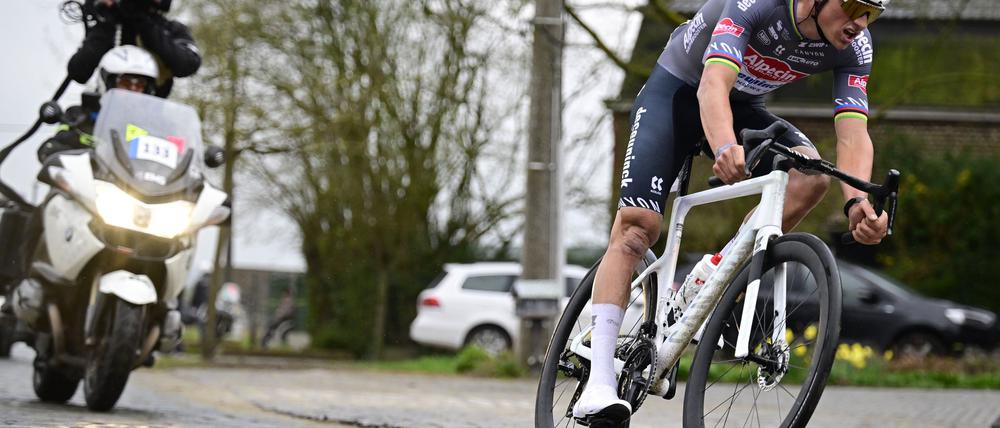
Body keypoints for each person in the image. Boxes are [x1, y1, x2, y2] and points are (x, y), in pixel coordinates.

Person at [573, 0, 891, 424]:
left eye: (871, 13)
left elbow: (853, 133)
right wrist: (724, 145)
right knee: (637, 230)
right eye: (853, 6)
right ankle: (598, 383)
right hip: (677, 96)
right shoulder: (757, 4)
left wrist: (858, 201)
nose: (860, 23)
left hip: (742, 107)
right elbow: (712, 85)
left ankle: (712, 272)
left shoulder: (855, 48)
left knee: (811, 177)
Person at [37, 45, 159, 162]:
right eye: (125, 82)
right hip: (86, 175)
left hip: (131, 177)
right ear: (108, 82)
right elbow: (50, 149)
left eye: (140, 85)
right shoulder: (79, 115)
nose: (132, 90)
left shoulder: (151, 128)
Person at [68, 0, 200, 98]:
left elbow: (188, 64)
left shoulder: (170, 29)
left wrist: (143, 23)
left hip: (150, 115)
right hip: (106, 111)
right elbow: (79, 72)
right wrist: (107, 22)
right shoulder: (111, 26)